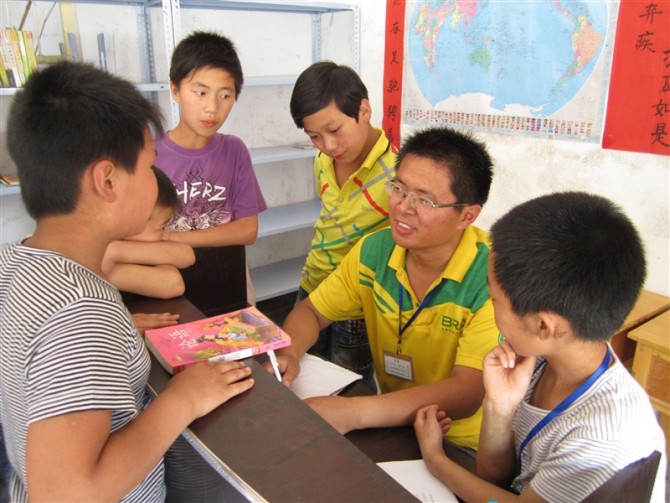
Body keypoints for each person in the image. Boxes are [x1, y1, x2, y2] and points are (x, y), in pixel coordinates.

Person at [0, 61, 255, 502]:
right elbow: (67, 494)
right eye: (149, 167)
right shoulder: (81, 311)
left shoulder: (16, 262)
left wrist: (112, 338)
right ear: (108, 180)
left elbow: (39, 363)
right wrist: (183, 400)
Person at [413, 192, 667, 502]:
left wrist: (436, 460)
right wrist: (499, 407)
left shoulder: (600, 438)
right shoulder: (550, 358)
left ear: (543, 326)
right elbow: (497, 477)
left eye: (493, 299)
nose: (490, 305)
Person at [271, 126, 499, 452]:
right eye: (398, 189)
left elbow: (467, 392)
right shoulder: (375, 251)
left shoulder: (492, 276)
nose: (403, 207)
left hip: (462, 444)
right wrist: (289, 353)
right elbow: (312, 310)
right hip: (392, 420)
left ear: (467, 215)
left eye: (424, 200)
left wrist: (354, 412)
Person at [289, 61, 397, 391]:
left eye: (335, 130)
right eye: (315, 136)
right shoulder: (323, 160)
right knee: (297, 373)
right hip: (312, 284)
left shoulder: (397, 175)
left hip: (356, 304)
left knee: (347, 389)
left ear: (364, 110)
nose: (329, 146)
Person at [154, 31, 267, 305]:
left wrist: (175, 239)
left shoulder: (233, 150)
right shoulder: (150, 155)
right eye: (200, 92)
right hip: (168, 282)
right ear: (175, 90)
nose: (212, 108)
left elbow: (247, 230)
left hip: (227, 278)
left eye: (225, 95)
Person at [102, 166, 195, 299]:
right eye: (161, 227)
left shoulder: (117, 248)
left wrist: (113, 251)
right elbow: (172, 284)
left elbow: (186, 255)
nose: (166, 235)